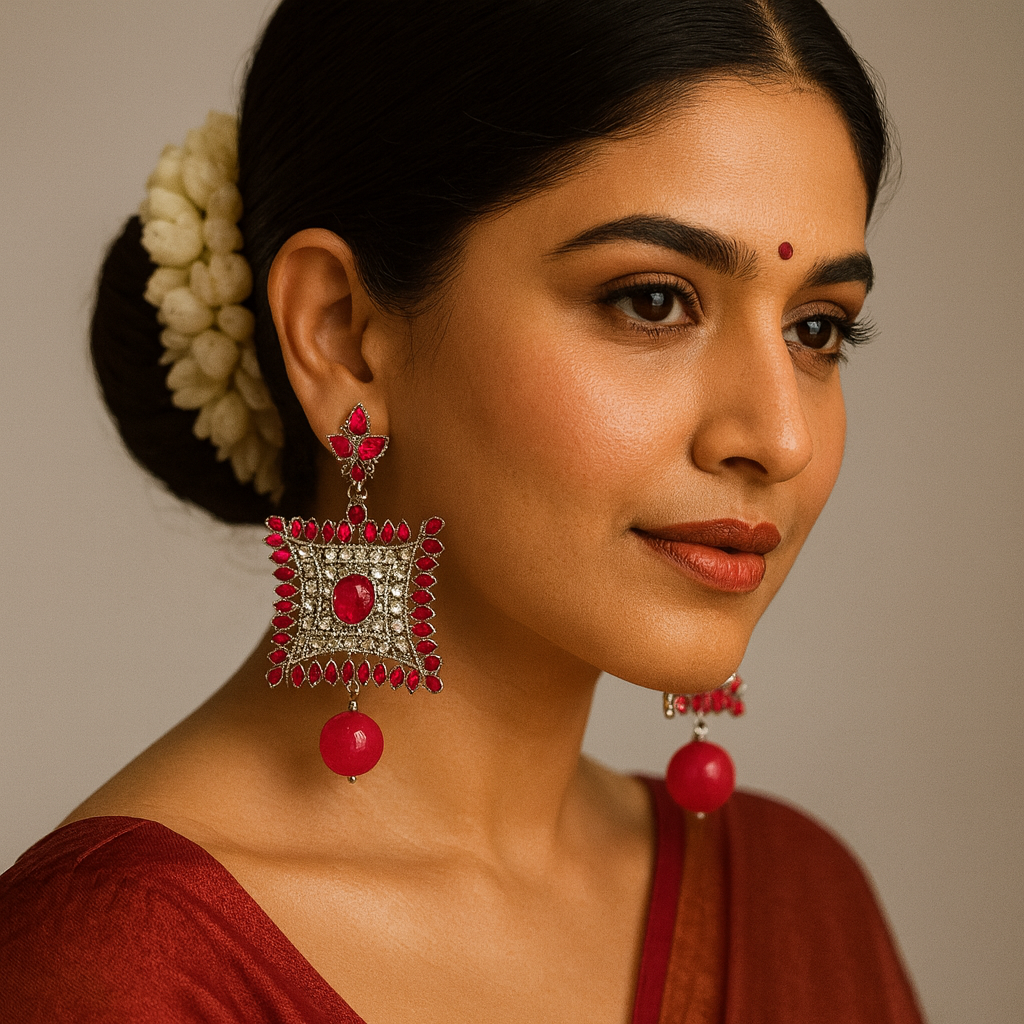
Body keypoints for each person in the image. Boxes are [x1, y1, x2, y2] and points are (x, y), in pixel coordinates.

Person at [0, 0, 926, 1020]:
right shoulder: (114, 972)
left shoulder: (802, 904)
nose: (779, 436)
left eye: (815, 329)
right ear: (344, 337)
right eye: (652, 300)